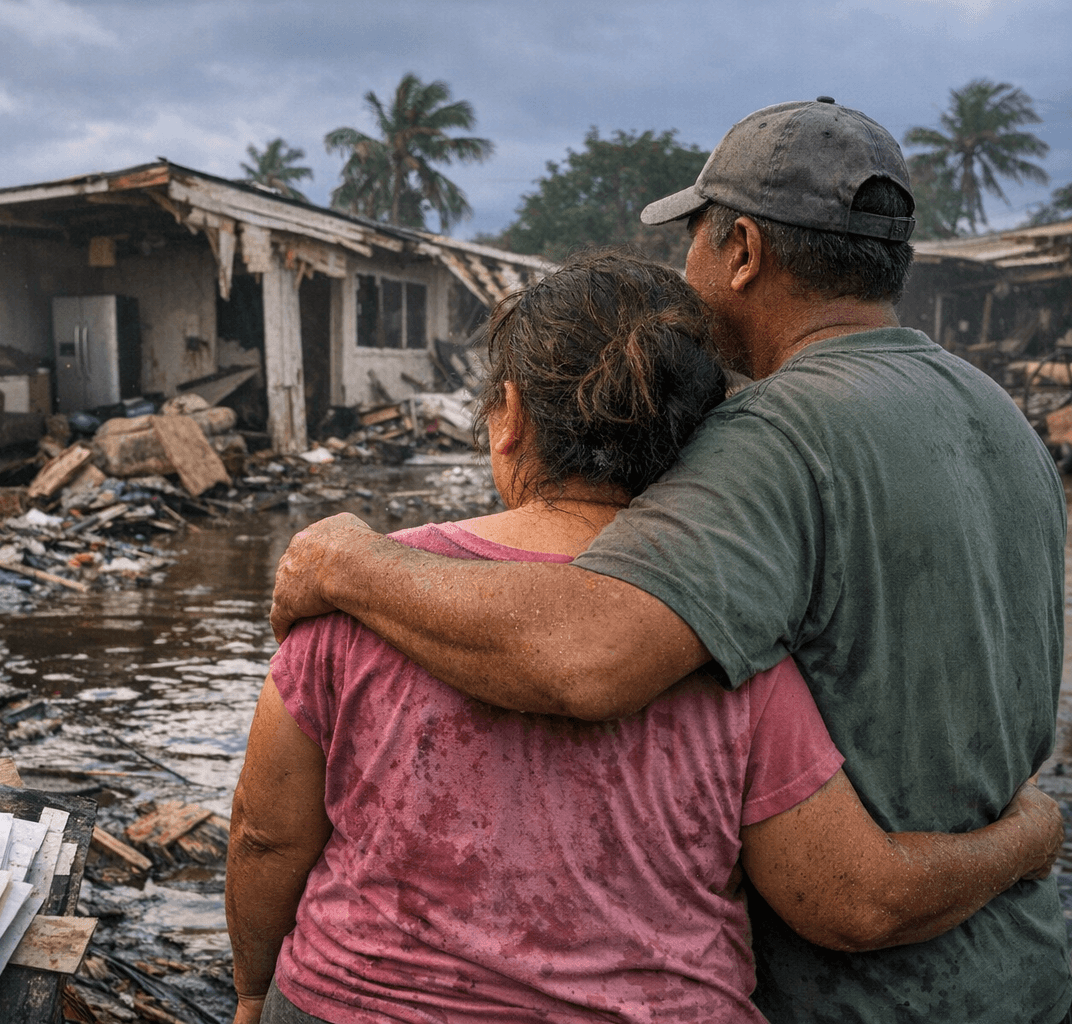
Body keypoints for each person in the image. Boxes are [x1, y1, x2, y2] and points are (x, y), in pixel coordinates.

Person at [267, 98, 1072, 1022]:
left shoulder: (774, 430)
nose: (681, 274)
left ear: (741, 252)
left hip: (873, 996)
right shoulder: (999, 416)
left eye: (691, 240)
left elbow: (584, 658)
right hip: (1023, 974)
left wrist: (347, 566)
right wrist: (1022, 837)